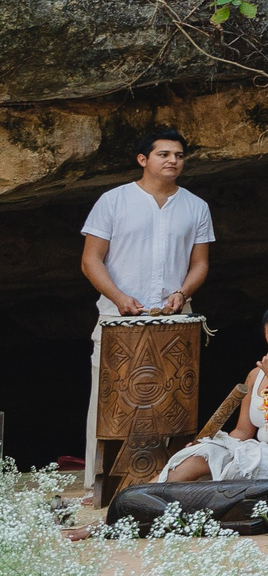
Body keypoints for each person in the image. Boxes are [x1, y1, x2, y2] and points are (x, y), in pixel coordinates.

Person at [79, 128, 214, 499]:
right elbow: (91, 260)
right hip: (117, 318)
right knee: (108, 401)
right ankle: (100, 485)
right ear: (143, 160)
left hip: (174, 322)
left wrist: (182, 292)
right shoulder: (113, 200)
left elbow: (200, 264)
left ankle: (165, 484)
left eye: (179, 155)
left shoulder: (196, 206)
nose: (173, 160)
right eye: (164, 154)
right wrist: (120, 297)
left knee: (174, 401)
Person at [160, 296, 268, 484]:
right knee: (195, 456)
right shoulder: (256, 375)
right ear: (264, 336)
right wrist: (207, 445)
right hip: (259, 451)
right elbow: (242, 431)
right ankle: (136, 506)